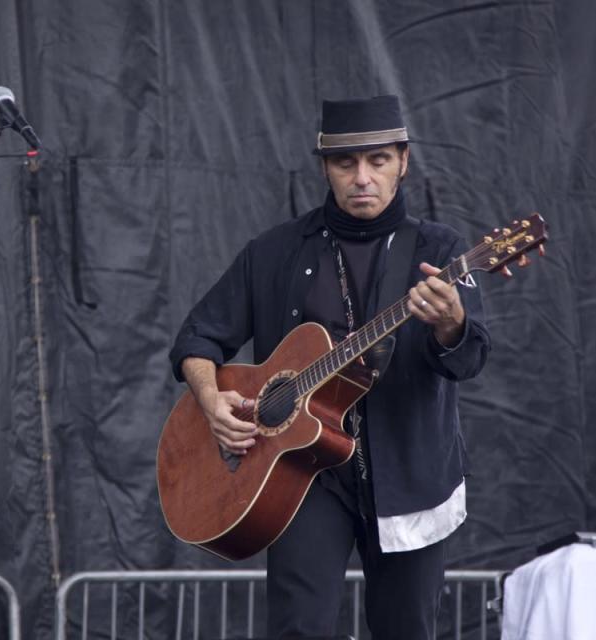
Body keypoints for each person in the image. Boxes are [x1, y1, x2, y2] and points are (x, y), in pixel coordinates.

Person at [168, 95, 490, 639]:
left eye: (378, 161)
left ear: (403, 162)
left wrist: (449, 324)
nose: (362, 177)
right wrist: (210, 398)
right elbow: (197, 338)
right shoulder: (273, 252)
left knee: (406, 629)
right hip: (302, 473)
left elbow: (470, 356)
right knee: (300, 628)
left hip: (411, 472)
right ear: (325, 167)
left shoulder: (439, 250)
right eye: (346, 163)